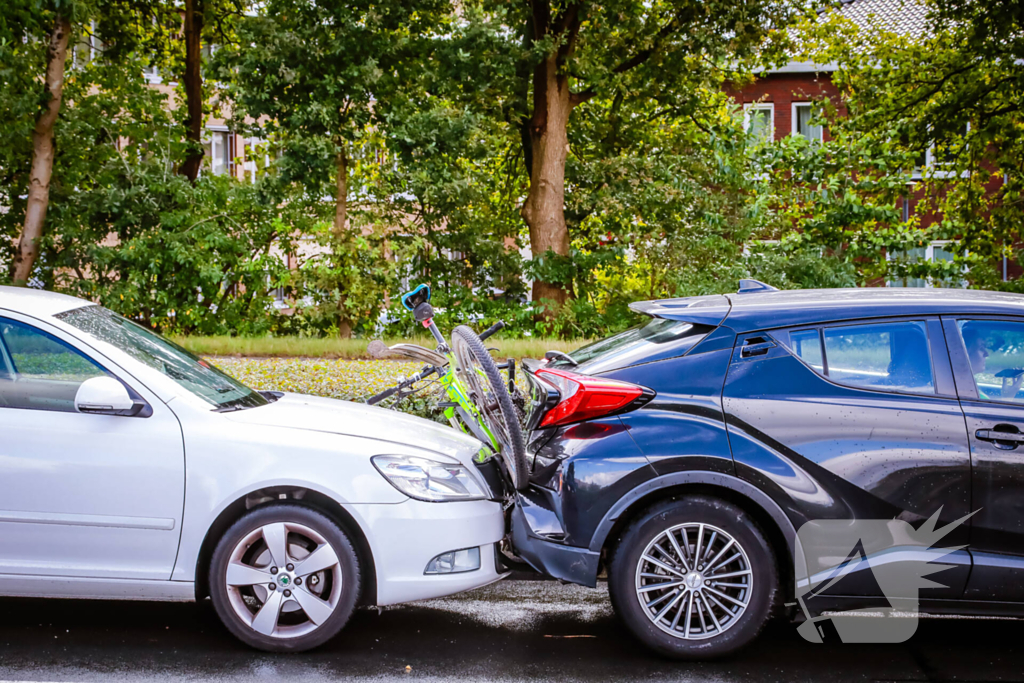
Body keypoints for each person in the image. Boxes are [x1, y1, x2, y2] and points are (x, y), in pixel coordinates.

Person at [962, 325, 1024, 400]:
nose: (986, 354)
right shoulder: (968, 393)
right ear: (965, 353)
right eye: (981, 348)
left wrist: (1007, 395)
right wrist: (1008, 396)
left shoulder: (964, 388)